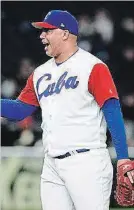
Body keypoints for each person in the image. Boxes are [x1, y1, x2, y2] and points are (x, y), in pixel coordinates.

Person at [1, 10, 134, 210]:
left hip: (86, 162)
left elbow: (112, 111)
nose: (41, 36)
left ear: (65, 33)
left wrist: (123, 157)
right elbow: (20, 110)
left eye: (47, 31)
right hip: (52, 164)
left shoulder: (92, 67)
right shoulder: (40, 73)